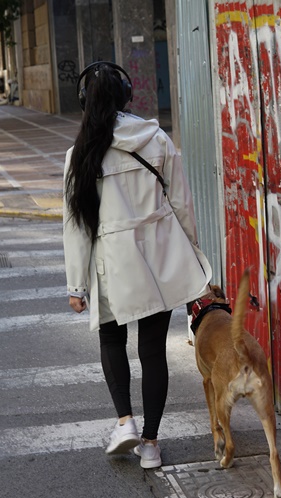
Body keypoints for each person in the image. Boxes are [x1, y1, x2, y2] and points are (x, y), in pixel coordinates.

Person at [62, 62, 212, 469]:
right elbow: (181, 203)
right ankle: (150, 444)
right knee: (152, 350)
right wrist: (194, 258)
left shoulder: (81, 153)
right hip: (160, 257)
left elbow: (76, 226)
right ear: (127, 95)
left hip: (112, 263)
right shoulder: (155, 137)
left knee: (112, 341)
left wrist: (77, 285)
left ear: (83, 102)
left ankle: (125, 422)